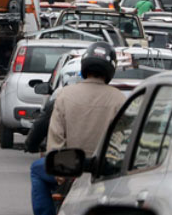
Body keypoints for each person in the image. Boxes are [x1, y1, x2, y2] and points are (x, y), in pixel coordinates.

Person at [30, 42, 126, 215]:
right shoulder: (120, 99)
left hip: (70, 167)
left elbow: (56, 139)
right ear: (111, 69)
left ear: (84, 66)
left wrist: (59, 172)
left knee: (36, 170)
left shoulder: (65, 95)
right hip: (105, 171)